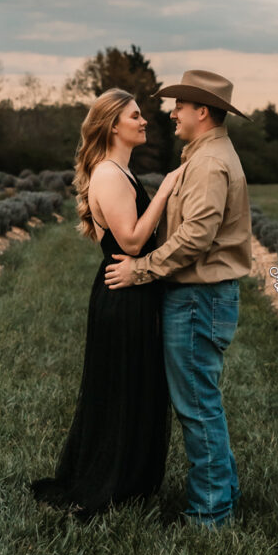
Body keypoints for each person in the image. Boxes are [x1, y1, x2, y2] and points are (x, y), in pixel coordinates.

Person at [104, 69, 253, 529]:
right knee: (201, 399)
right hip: (200, 298)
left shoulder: (209, 163)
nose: (172, 114)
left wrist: (140, 270)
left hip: (197, 299)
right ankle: (222, 492)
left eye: (180, 106)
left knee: (196, 405)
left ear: (201, 111)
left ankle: (210, 514)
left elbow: (195, 238)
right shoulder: (205, 155)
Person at [29, 87, 184, 521]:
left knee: (132, 386)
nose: (145, 121)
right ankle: (110, 483)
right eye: (135, 115)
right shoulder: (110, 175)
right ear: (114, 124)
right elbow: (132, 241)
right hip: (123, 291)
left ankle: (129, 481)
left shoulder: (119, 171)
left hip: (128, 289)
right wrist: (168, 187)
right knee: (121, 389)